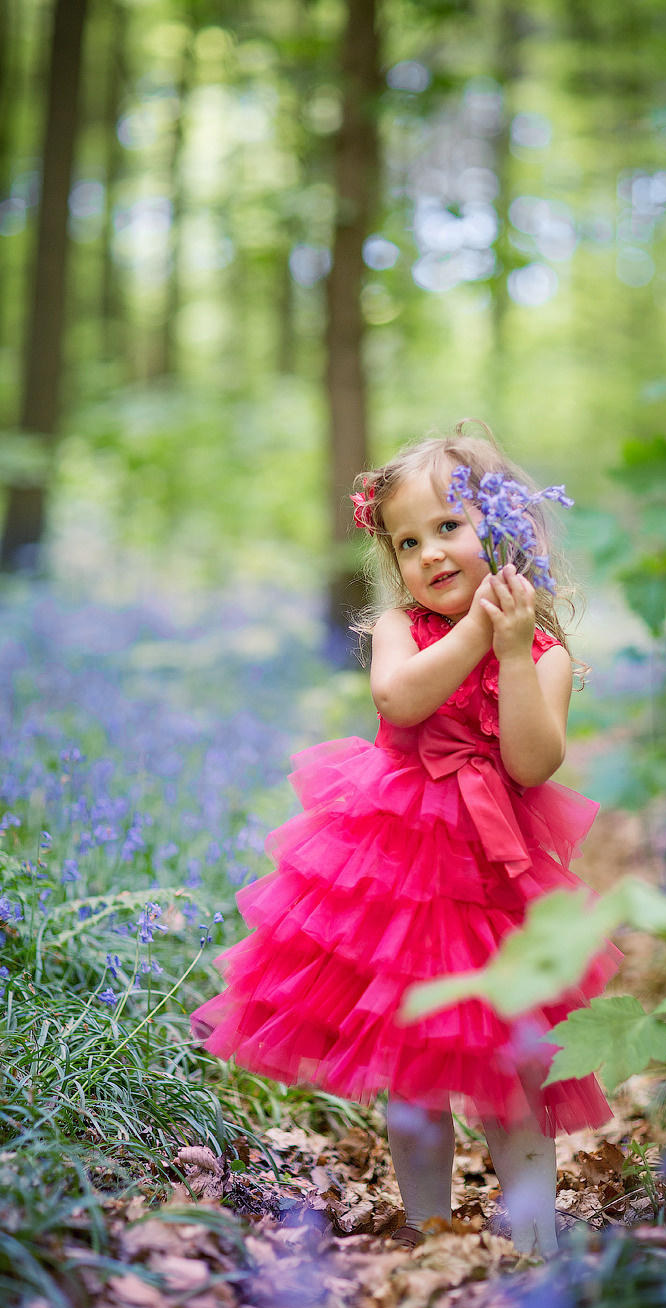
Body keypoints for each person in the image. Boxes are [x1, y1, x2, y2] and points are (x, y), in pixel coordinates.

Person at [191, 422, 620, 1257]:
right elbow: (400, 703)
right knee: (414, 1058)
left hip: (496, 875)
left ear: (504, 530)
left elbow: (532, 764)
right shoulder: (401, 629)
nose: (428, 553)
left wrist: (510, 651)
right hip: (395, 871)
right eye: (408, 540)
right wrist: (471, 637)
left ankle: (532, 1230)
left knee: (516, 1062)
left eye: (449, 528)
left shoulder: (542, 652)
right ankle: (430, 1227)